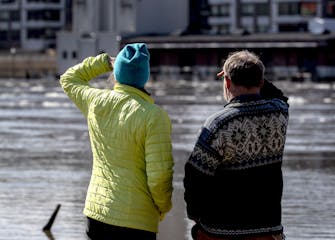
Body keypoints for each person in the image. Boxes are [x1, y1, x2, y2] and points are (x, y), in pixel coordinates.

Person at [60, 43, 174, 240]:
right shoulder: (154, 116)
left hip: (97, 213)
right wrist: (162, 208)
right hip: (137, 219)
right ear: (144, 76)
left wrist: (105, 61)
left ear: (118, 71)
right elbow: (160, 176)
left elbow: (70, 78)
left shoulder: (96, 101)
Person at [184, 50, 289, 240]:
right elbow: (280, 97)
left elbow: (195, 177)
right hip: (269, 230)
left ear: (227, 83)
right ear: (261, 82)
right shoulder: (279, 113)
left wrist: (195, 216)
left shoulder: (218, 123)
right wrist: (255, 74)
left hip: (221, 231)